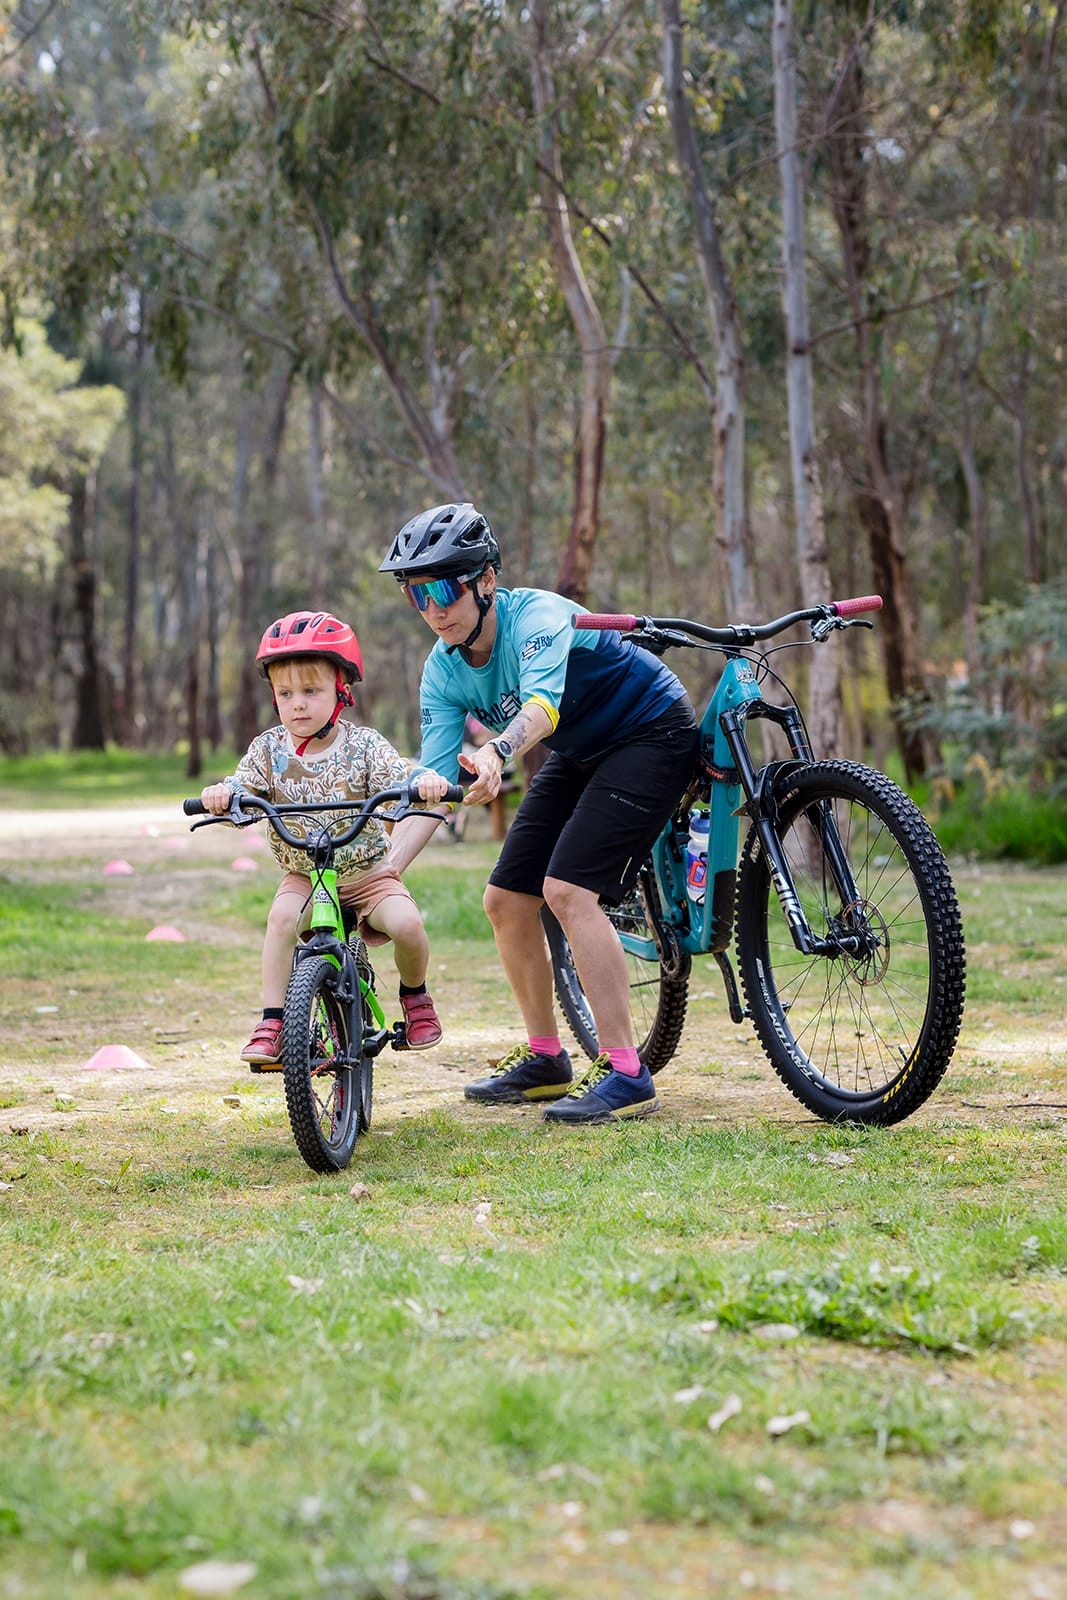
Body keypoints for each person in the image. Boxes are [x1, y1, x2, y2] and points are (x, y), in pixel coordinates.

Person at [379, 502, 700, 1125]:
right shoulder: (441, 672)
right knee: (504, 901)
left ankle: (628, 1072)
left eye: (445, 589)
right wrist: (386, 874)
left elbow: (543, 709)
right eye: (418, 596)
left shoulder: (539, 617)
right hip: (583, 752)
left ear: (486, 581)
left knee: (568, 890)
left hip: (650, 731)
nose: (434, 609)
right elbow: (436, 786)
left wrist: (498, 751)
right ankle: (548, 1058)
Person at [200, 610, 442, 1069]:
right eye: (285, 693)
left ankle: (416, 997)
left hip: (369, 875)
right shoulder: (267, 751)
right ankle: (273, 1022)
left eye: (310, 691)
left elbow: (401, 774)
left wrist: (423, 784)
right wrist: (224, 794)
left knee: (408, 925)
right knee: (280, 921)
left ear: (341, 691)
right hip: (305, 874)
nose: (297, 704)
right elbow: (242, 786)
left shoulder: (364, 746)